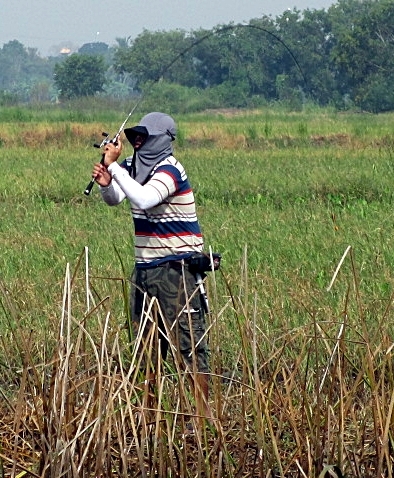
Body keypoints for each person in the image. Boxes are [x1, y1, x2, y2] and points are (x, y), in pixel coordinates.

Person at [92, 112, 212, 423]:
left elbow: (144, 198)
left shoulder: (170, 170)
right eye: (136, 137)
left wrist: (114, 166)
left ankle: (202, 421)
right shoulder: (134, 168)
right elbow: (116, 197)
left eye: (144, 136)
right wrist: (108, 182)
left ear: (161, 139)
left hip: (177, 271)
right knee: (146, 351)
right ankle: (150, 420)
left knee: (189, 348)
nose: (138, 142)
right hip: (144, 271)